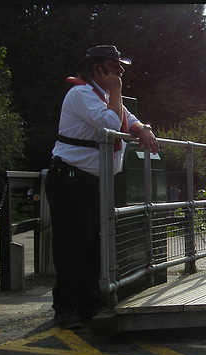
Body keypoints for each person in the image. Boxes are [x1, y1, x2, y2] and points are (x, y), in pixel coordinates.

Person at [46, 45, 159, 330]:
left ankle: (88, 305)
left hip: (92, 182)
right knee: (73, 246)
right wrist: (117, 90)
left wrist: (142, 128)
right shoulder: (82, 94)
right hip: (71, 180)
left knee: (93, 247)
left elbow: (126, 118)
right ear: (99, 70)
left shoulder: (103, 96)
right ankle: (65, 309)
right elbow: (111, 122)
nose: (121, 72)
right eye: (115, 67)